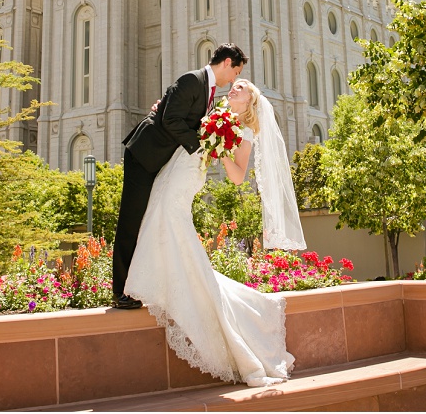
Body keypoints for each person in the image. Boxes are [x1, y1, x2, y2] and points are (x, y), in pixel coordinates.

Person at [124, 78, 306, 387]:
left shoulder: (246, 130)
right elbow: (183, 122)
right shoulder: (214, 108)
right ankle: (168, 282)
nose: (235, 87)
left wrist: (219, 147)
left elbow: (237, 176)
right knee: (156, 214)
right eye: (235, 84)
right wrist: (161, 108)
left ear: (250, 101)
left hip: (189, 176)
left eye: (242, 87)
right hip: (173, 167)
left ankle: (175, 289)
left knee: (169, 218)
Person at [111, 43, 247, 309]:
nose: (234, 79)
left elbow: (177, 117)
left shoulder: (206, 90)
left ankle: (135, 285)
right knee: (131, 220)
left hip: (158, 160)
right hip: (143, 155)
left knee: (146, 219)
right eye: (236, 72)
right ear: (227, 63)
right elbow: (171, 120)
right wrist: (198, 146)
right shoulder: (191, 80)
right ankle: (120, 292)